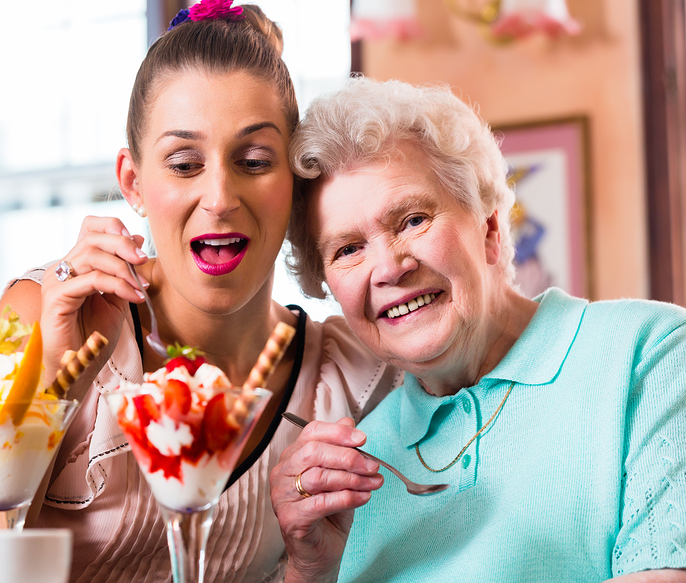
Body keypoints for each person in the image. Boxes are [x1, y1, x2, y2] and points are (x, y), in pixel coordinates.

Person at [0, 0, 399, 582]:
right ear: (133, 183)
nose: (219, 197)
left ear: (294, 179)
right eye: (185, 164)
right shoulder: (54, 317)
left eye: (255, 159)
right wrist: (51, 385)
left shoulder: (347, 375)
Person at [270, 77, 686, 582]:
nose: (388, 267)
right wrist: (308, 570)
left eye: (413, 220)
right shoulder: (356, 466)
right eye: (348, 249)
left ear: (488, 226)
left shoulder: (652, 352)